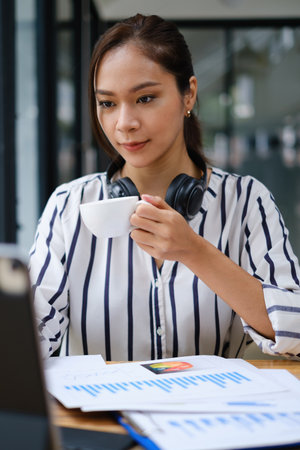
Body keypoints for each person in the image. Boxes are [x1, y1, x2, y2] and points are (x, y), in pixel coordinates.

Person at [29, 13, 300, 361]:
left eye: (144, 98)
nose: (124, 123)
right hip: (102, 414)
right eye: (108, 103)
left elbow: (295, 331)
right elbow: (29, 338)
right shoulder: (70, 205)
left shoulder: (246, 201)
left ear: (188, 95)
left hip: (213, 413)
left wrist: (194, 252)